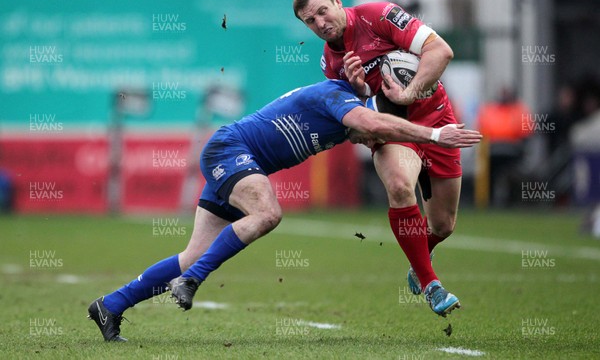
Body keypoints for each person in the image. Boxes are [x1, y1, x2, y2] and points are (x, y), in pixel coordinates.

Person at [88, 79, 482, 341]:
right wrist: (434, 135)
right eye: (375, 132)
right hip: (231, 151)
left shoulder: (345, 106)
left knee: (194, 253)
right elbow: (373, 121)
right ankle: (192, 281)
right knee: (267, 213)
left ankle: (110, 305)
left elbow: (371, 124)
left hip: (238, 158)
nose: (371, 140)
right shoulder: (341, 100)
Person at [293, 0, 466, 317]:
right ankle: (433, 286)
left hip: (437, 122)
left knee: (443, 225)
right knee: (400, 186)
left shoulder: (380, 16)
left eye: (322, 12)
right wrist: (360, 95)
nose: (320, 24)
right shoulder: (332, 66)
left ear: (338, 2)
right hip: (395, 135)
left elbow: (441, 51)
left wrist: (410, 91)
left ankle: (420, 257)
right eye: (310, 22)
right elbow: (355, 128)